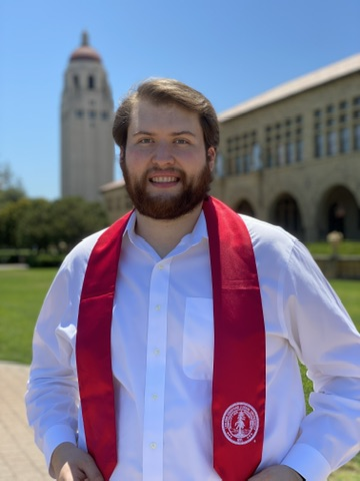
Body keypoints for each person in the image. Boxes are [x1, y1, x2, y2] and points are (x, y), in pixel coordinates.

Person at [26, 78, 360, 481]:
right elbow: (48, 375)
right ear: (123, 156)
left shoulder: (273, 257)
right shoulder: (83, 265)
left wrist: (300, 469)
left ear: (211, 156)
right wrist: (59, 443)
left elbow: (350, 377)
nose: (162, 158)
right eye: (145, 140)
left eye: (182, 141)